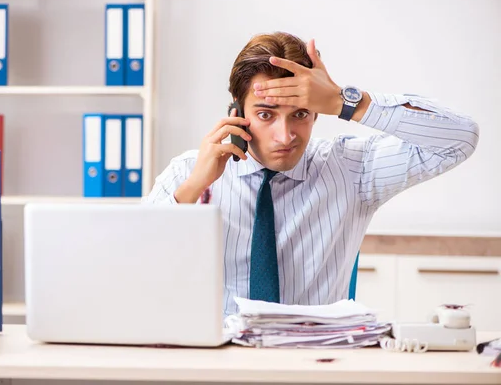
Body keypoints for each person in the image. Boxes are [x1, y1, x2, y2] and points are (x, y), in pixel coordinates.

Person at [143, 32, 480, 317]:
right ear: (236, 112)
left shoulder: (350, 169)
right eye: (265, 114)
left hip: (317, 362)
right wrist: (191, 189)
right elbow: (137, 267)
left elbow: (459, 138)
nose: (285, 135)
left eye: (300, 114)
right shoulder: (189, 172)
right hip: (216, 363)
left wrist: (345, 102)